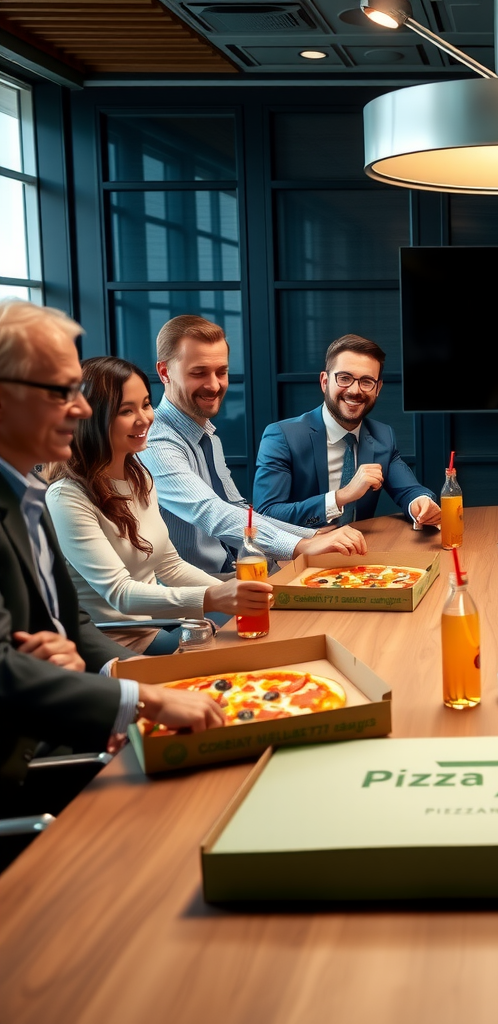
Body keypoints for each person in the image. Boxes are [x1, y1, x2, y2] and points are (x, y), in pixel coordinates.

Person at [0, 300, 223, 811]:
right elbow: (10, 671)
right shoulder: (60, 494)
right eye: (60, 392)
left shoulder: (27, 496)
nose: (79, 410)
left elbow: (72, 626)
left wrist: (90, 672)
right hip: (26, 763)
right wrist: (137, 697)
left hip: (70, 708)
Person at [46, 357, 274, 654]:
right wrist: (214, 598)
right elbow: (120, 594)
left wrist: (234, 594)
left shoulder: (140, 477)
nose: (144, 418)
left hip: (157, 627)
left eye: (145, 404)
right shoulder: (66, 497)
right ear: (91, 418)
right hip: (113, 644)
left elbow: (170, 566)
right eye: (126, 411)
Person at [138, 315, 368, 576]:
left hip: (243, 571)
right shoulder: (155, 440)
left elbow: (237, 510)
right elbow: (210, 511)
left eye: (221, 372)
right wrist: (301, 545)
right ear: (164, 372)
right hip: (203, 589)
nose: (214, 385)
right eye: (198, 373)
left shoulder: (207, 435)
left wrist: (311, 535)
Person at [253, 334, 440, 529]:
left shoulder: (383, 436)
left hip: (359, 546)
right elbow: (266, 514)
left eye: (366, 381)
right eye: (344, 378)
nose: (355, 390)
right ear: (325, 382)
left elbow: (409, 491)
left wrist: (420, 503)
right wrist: (343, 496)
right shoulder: (282, 436)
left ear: (378, 388)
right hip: (302, 547)